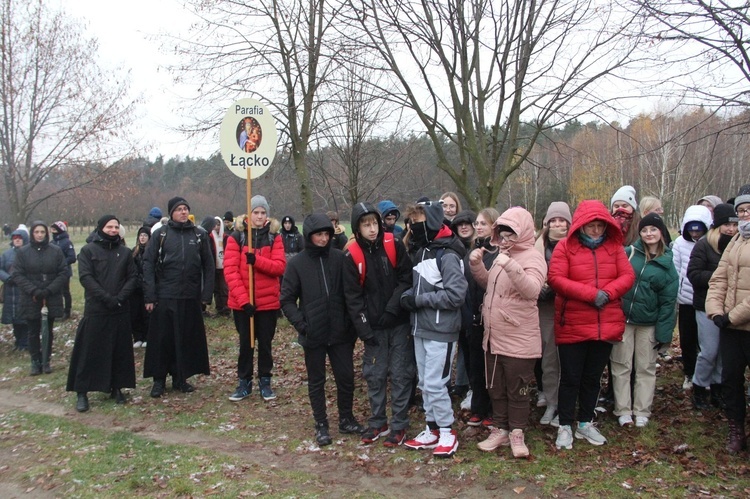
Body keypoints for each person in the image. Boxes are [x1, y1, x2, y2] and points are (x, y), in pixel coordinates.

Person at [548, 200, 635, 450]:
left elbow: (627, 276)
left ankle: (585, 422)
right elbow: (556, 278)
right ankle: (565, 424)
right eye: (591, 226)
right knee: (571, 377)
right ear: (581, 226)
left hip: (604, 323)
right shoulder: (565, 247)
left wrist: (607, 293)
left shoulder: (614, 247)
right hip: (573, 322)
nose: (596, 231)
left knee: (592, 377)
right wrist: (590, 294)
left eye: (600, 226)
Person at [280, 213, 365, 446]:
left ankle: (346, 418)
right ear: (309, 236)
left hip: (340, 333)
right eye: (319, 234)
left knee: (346, 378)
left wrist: (351, 325)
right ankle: (321, 423)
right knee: (316, 381)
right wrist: (302, 324)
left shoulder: (340, 259)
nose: (323, 238)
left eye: (327, 234)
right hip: (313, 334)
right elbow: (286, 299)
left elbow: (352, 293)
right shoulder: (297, 264)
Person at [470, 207, 546, 458]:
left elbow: (532, 290)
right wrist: (478, 266)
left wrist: (512, 265)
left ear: (523, 232)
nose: (506, 238)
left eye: (511, 233)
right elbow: (492, 286)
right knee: (496, 388)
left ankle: (517, 433)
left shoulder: (532, 257)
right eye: (502, 233)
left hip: (519, 339)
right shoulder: (502, 255)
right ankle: (500, 430)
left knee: (518, 390)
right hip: (494, 337)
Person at [400, 200, 468, 458]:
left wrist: (417, 301)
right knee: (425, 383)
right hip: (420, 328)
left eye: (417, 222)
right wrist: (407, 296)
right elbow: (419, 287)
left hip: (442, 330)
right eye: (411, 222)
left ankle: (448, 431)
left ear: (430, 222)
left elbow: (455, 296)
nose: (412, 227)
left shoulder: (448, 254)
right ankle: (431, 429)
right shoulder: (422, 251)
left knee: (437, 384)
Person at [343, 202, 414, 446]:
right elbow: (352, 298)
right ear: (357, 228)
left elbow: (406, 279)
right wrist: (364, 330)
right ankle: (378, 421)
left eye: (374, 223)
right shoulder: (351, 255)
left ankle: (399, 424)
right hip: (372, 327)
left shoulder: (393, 245)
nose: (372, 229)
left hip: (398, 322)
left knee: (401, 373)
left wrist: (393, 308)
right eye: (366, 225)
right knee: (375, 374)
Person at [142, 196, 215, 397]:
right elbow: (148, 263)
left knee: (185, 339)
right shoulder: (161, 234)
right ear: (171, 212)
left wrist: (206, 295)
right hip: (165, 295)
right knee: (162, 340)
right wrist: (150, 295)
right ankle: (158, 380)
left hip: (190, 296)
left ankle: (180, 378)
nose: (183, 212)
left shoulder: (199, 235)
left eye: (186, 208)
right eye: (179, 209)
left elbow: (209, 266)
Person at [611, 213, 678, 428]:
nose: (649, 234)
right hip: (624, 320)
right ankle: (622, 409)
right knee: (621, 365)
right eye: (645, 230)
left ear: (661, 233)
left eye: (653, 230)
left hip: (648, 324)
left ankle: (642, 410)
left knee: (645, 367)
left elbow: (668, 303)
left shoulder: (667, 263)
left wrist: (664, 335)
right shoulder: (629, 254)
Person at [66, 215, 138, 412]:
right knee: (89, 351)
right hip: (97, 309)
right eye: (109, 227)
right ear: (100, 228)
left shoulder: (124, 252)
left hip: (120, 309)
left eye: (116, 227)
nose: (113, 230)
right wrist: (106, 298)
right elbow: (86, 278)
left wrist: (120, 298)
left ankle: (116, 386)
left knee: (119, 350)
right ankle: (82, 391)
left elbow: (132, 277)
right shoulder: (88, 251)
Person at [224, 195, 286, 402]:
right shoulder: (237, 237)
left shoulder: (274, 237)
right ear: (249, 214)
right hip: (244, 304)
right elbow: (231, 271)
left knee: (265, 345)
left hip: (268, 303)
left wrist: (256, 260)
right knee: (246, 344)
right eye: (256, 212)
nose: (259, 216)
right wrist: (243, 301)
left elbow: (279, 267)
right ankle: (244, 382)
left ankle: (265, 381)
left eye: (263, 212)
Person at [706, 191, 750, 453]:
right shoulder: (735, 241)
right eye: (741, 211)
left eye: (749, 210)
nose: (745, 215)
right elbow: (718, 279)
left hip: (740, 322)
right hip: (730, 328)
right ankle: (736, 429)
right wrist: (715, 311)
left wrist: (732, 316)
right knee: (731, 379)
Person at [688, 203, 738, 410]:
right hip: (706, 306)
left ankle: (718, 389)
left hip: (731, 306)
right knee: (709, 350)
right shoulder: (704, 245)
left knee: (723, 353)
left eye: (735, 224)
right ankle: (699, 387)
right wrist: (720, 278)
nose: (731, 229)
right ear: (717, 225)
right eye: (726, 224)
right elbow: (694, 274)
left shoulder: (738, 244)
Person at [11, 221, 68, 375]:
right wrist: (34, 290)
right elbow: (17, 274)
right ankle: (35, 361)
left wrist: (50, 289)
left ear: (46, 233)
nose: (40, 235)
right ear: (32, 233)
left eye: (42, 232)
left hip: (51, 295)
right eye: (37, 232)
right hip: (31, 297)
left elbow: (63, 272)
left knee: (48, 330)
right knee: (33, 331)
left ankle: (46, 360)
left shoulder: (55, 251)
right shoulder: (23, 252)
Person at [534, 201, 572, 426]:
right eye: (553, 220)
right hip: (545, 308)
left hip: (571, 307)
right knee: (548, 359)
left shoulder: (575, 244)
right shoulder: (538, 245)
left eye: (562, 220)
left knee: (568, 360)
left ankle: (567, 403)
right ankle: (551, 402)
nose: (558, 224)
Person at [465, 207, 500, 429]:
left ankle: (493, 409)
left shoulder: (499, 253)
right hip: (473, 316)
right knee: (475, 364)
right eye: (477, 223)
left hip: (492, 317)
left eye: (483, 224)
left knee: (492, 367)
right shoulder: (472, 250)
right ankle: (478, 407)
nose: (478, 227)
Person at [672, 205, 713, 390]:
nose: (695, 234)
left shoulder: (712, 242)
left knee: (706, 340)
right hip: (686, 298)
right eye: (691, 229)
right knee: (687, 339)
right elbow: (675, 268)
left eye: (699, 230)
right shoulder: (680, 243)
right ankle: (689, 372)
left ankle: (707, 376)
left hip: (706, 298)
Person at [449, 210, 477, 400]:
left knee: (472, 350)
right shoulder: (452, 249)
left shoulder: (481, 247)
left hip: (475, 305)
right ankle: (462, 385)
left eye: (468, 223)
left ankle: (473, 388)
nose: (464, 227)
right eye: (460, 224)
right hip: (456, 304)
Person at [1, 229, 30, 351]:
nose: (17, 240)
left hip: (25, 289)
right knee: (15, 319)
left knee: (25, 318)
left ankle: (26, 343)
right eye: (15, 238)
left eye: (20, 237)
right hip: (11, 292)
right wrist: (7, 278)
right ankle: (18, 342)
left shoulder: (29, 253)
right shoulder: (6, 254)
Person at [201, 216, 230, 316]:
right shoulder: (209, 237)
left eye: (218, 225)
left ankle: (226, 308)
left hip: (224, 266)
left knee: (224, 288)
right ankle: (219, 308)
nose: (216, 227)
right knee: (216, 289)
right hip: (214, 266)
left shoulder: (226, 237)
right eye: (215, 225)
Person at [49, 221, 76, 320]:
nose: (53, 231)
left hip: (64, 272)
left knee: (65, 292)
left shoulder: (67, 242)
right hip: (53, 273)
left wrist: (61, 264)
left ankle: (67, 311)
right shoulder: (52, 242)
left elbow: (72, 257)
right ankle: (57, 311)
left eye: (55, 229)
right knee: (56, 292)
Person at [130, 227, 151, 348]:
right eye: (141, 235)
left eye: (145, 235)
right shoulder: (134, 252)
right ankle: (138, 336)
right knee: (135, 313)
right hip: (135, 288)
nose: (142, 237)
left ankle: (147, 336)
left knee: (146, 313)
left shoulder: (151, 251)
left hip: (146, 287)